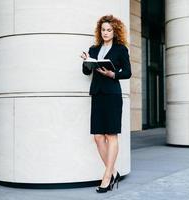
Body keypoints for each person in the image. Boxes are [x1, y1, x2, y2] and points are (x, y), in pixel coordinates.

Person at [80, 15, 131, 193]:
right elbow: (87, 72)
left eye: (109, 30)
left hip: (112, 94)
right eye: (103, 30)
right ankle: (114, 171)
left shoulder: (120, 49)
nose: (105, 33)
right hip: (98, 94)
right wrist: (86, 62)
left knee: (111, 136)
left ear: (114, 31)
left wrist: (112, 74)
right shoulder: (93, 49)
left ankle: (107, 176)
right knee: (98, 137)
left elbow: (128, 72)